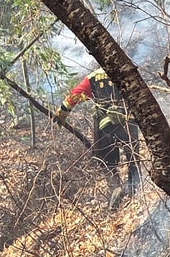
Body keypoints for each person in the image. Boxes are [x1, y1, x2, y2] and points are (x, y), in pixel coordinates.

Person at [56, 68, 140, 203]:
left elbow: (73, 97)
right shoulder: (126, 70)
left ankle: (115, 189)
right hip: (128, 123)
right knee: (133, 158)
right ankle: (134, 189)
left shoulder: (93, 78)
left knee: (107, 162)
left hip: (105, 128)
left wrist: (60, 116)